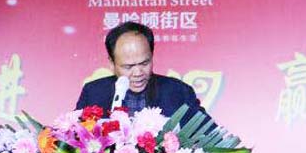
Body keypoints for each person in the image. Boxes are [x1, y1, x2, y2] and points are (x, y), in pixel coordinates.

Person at [76, 22, 208, 123]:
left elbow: (211, 139)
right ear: (112, 63)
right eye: (128, 66)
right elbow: (73, 139)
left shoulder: (178, 92)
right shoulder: (93, 93)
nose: (138, 72)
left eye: (145, 63)